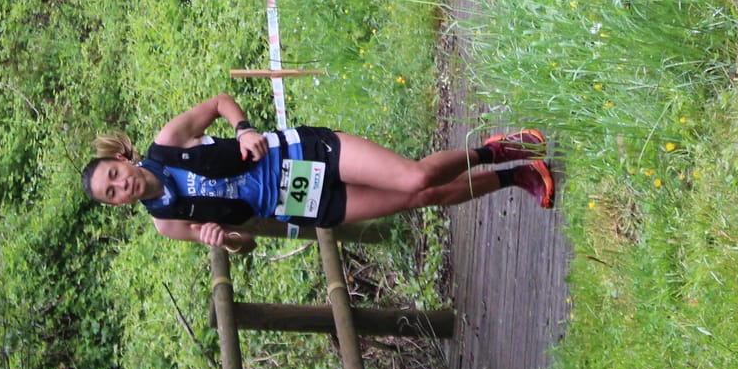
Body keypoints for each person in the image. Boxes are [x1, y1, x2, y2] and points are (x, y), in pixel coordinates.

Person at [81, 93, 554, 252]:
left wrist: (243, 129)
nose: (121, 186)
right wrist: (224, 241)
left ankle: (493, 152)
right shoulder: (168, 223)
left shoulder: (168, 142)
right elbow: (246, 242)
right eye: (112, 194)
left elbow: (220, 102)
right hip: (300, 203)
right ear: (117, 205)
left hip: (302, 154)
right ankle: (518, 178)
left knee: (414, 178)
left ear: (122, 161)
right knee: (419, 199)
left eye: (114, 176)